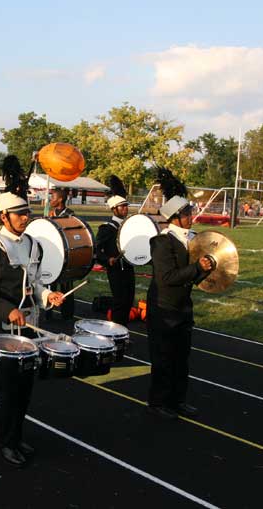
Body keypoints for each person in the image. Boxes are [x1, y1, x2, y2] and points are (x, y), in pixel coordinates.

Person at [0, 155, 64, 467]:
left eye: (26, 212)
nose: (26, 217)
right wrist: (8, 310)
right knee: (9, 391)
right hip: (4, 329)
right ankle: (5, 441)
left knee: (25, 389)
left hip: (31, 327)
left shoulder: (33, 244)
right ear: (3, 217)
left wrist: (48, 295)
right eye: (19, 213)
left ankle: (16, 436)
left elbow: (35, 284)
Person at [146, 168, 214, 420]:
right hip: (164, 309)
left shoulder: (191, 239)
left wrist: (206, 271)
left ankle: (177, 399)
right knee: (163, 359)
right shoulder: (161, 242)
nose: (192, 216)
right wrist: (197, 267)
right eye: (187, 213)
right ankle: (158, 402)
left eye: (190, 212)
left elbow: (192, 279)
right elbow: (167, 279)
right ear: (176, 217)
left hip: (183, 307)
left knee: (181, 359)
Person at [96, 176, 134, 327]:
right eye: (122, 206)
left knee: (128, 302)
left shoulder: (129, 226)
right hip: (116, 270)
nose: (125, 209)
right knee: (119, 303)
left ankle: (123, 332)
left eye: (126, 206)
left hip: (129, 268)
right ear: (114, 209)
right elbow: (97, 250)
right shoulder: (106, 228)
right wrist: (107, 260)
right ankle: (116, 334)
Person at [48, 187, 76, 320]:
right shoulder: (51, 213)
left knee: (66, 285)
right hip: (53, 254)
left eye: (52, 198)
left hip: (66, 255)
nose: (50, 200)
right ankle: (48, 312)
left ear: (60, 199)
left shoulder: (70, 214)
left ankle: (67, 315)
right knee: (50, 284)